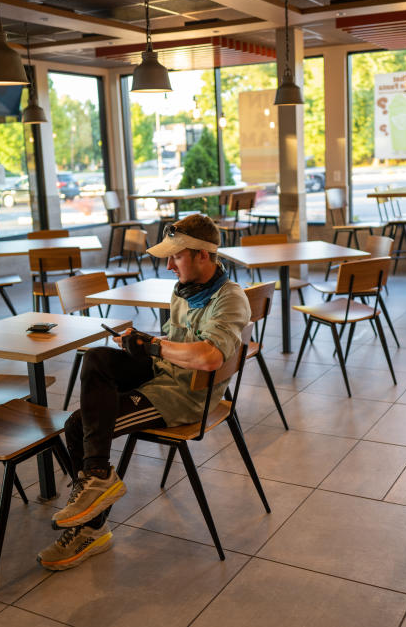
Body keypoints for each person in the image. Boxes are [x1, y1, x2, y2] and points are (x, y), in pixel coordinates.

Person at [37, 214, 249, 570]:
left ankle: (93, 530)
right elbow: (174, 344)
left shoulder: (230, 298)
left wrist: (154, 347)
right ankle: (98, 477)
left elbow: (210, 356)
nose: (168, 266)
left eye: (176, 257)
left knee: (76, 426)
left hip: (182, 397)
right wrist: (146, 343)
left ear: (203, 256)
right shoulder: (184, 289)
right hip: (164, 373)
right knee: (98, 359)